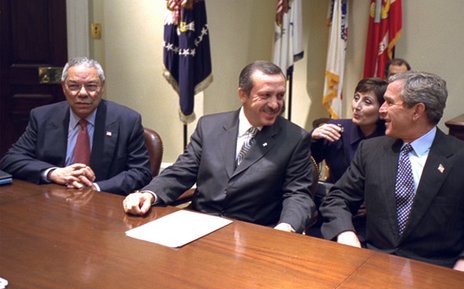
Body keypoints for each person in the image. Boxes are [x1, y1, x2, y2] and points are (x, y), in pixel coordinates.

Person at [319, 71, 464, 277]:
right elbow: (338, 198)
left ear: (417, 111)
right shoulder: (371, 150)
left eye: (389, 102)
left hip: (438, 276)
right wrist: (345, 233)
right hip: (373, 267)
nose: (382, 110)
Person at [123, 61, 315, 232]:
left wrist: (286, 226)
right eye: (266, 95)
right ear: (243, 94)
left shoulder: (295, 138)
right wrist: (148, 194)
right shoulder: (209, 126)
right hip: (198, 225)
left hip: (254, 232)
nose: (275, 104)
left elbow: (298, 194)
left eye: (280, 96)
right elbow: (182, 171)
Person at [0, 57, 152, 195]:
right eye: (74, 86)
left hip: (104, 204)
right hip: (53, 202)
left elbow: (141, 172)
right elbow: (11, 159)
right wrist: (53, 173)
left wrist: (96, 188)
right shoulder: (42, 117)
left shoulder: (127, 120)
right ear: (63, 87)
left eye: (91, 86)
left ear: (102, 87)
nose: (83, 93)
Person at [311, 78, 387, 183]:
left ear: (382, 109)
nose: (356, 106)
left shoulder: (389, 137)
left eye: (367, 102)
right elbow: (304, 163)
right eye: (356, 98)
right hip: (334, 196)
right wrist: (312, 138)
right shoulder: (336, 129)